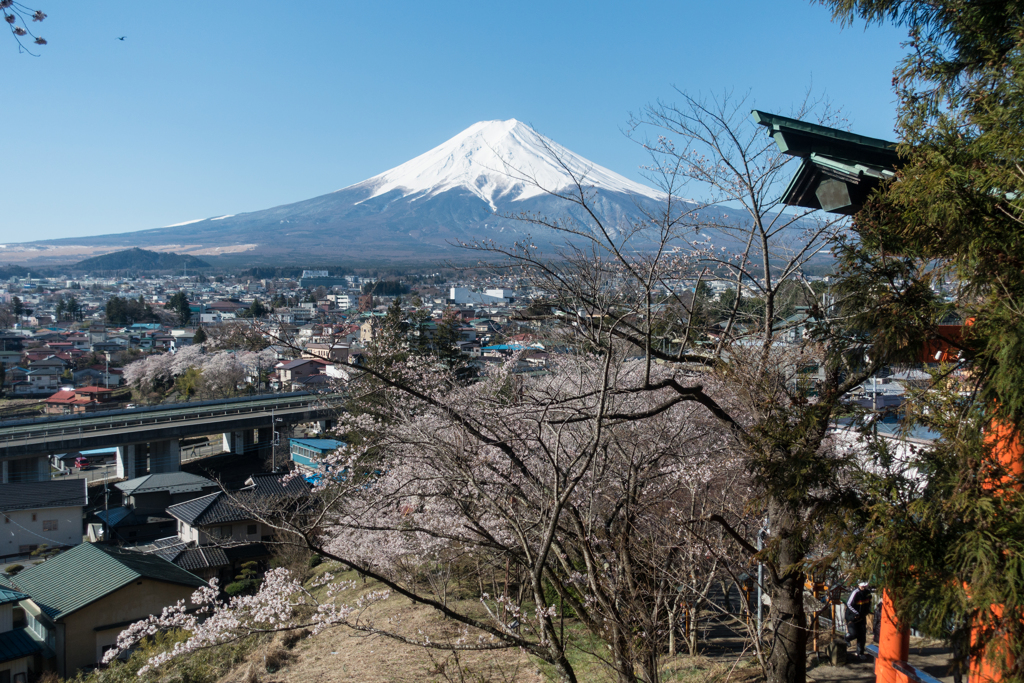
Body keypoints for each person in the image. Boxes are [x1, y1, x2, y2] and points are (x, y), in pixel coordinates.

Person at [846, 581, 872, 658]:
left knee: (862, 635)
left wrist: (867, 611)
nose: (863, 587)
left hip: (862, 617)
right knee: (853, 633)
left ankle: (860, 653)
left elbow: (869, 602)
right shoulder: (855, 593)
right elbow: (849, 604)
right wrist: (856, 613)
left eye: (865, 586)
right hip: (853, 616)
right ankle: (847, 638)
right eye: (862, 586)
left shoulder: (868, 593)